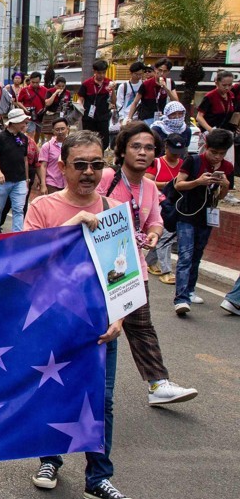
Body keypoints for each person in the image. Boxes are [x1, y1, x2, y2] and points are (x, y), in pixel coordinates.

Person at [23, 130, 134, 499]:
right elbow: (28, 261)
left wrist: (118, 318)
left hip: (101, 326)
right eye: (80, 164)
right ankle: (50, 461)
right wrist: (72, 228)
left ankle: (99, 478)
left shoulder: (116, 212)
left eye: (96, 164)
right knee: (53, 390)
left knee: (102, 400)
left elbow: (128, 274)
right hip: (51, 320)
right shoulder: (42, 208)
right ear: (62, 167)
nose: (89, 172)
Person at [98, 123, 198, 406]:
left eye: (149, 148)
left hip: (134, 268)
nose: (142, 152)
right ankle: (88, 388)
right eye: (136, 146)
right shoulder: (107, 177)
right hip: (100, 269)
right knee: (101, 330)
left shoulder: (150, 187)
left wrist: (153, 233)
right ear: (123, 150)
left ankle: (158, 384)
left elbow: (155, 219)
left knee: (141, 327)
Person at [171, 128, 235, 316]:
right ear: (206, 147)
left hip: (207, 216)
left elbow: (222, 196)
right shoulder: (194, 160)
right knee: (185, 255)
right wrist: (198, 182)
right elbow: (178, 184)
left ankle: (190, 290)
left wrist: (224, 185)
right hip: (186, 214)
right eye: (214, 152)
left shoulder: (228, 167)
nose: (217, 157)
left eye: (221, 154)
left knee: (197, 255)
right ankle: (181, 298)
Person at [145, 132, 187, 284]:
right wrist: (169, 184)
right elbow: (147, 181)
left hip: (177, 205)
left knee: (166, 236)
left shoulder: (183, 164)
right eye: (173, 152)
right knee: (166, 236)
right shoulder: (156, 163)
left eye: (179, 153)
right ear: (166, 147)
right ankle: (166, 270)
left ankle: (149, 261)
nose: (176, 156)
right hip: (159, 203)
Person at [0, 108, 31, 232]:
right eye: (22, 122)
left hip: (19, 179)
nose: (24, 124)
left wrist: (26, 178)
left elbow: (24, 159)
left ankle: (16, 235)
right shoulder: (0, 137)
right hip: (2, 181)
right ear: (13, 122)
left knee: (18, 209)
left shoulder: (24, 138)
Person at [79, 60, 114, 146]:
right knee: (88, 140)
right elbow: (80, 99)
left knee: (104, 142)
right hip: (89, 117)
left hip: (103, 117)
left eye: (103, 73)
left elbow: (113, 101)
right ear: (94, 71)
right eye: (99, 73)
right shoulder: (86, 84)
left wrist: (113, 90)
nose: (101, 75)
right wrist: (80, 107)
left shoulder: (109, 83)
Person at [132, 58, 173, 125]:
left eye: (165, 71)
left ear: (168, 72)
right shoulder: (146, 84)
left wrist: (166, 88)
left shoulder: (169, 82)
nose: (162, 73)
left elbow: (175, 101)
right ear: (155, 69)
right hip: (147, 119)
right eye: (160, 70)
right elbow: (135, 102)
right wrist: (129, 117)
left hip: (163, 119)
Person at [196, 70, 236, 134]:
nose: (227, 88)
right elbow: (199, 117)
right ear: (217, 83)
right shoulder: (210, 96)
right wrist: (211, 130)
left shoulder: (231, 95)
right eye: (224, 85)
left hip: (226, 132)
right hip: (210, 133)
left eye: (230, 85)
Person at [37, 118, 69, 194]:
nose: (60, 132)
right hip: (52, 183)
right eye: (57, 129)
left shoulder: (73, 145)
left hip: (68, 183)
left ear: (67, 129)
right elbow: (43, 166)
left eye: (62, 129)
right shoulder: (47, 146)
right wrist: (43, 184)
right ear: (53, 131)